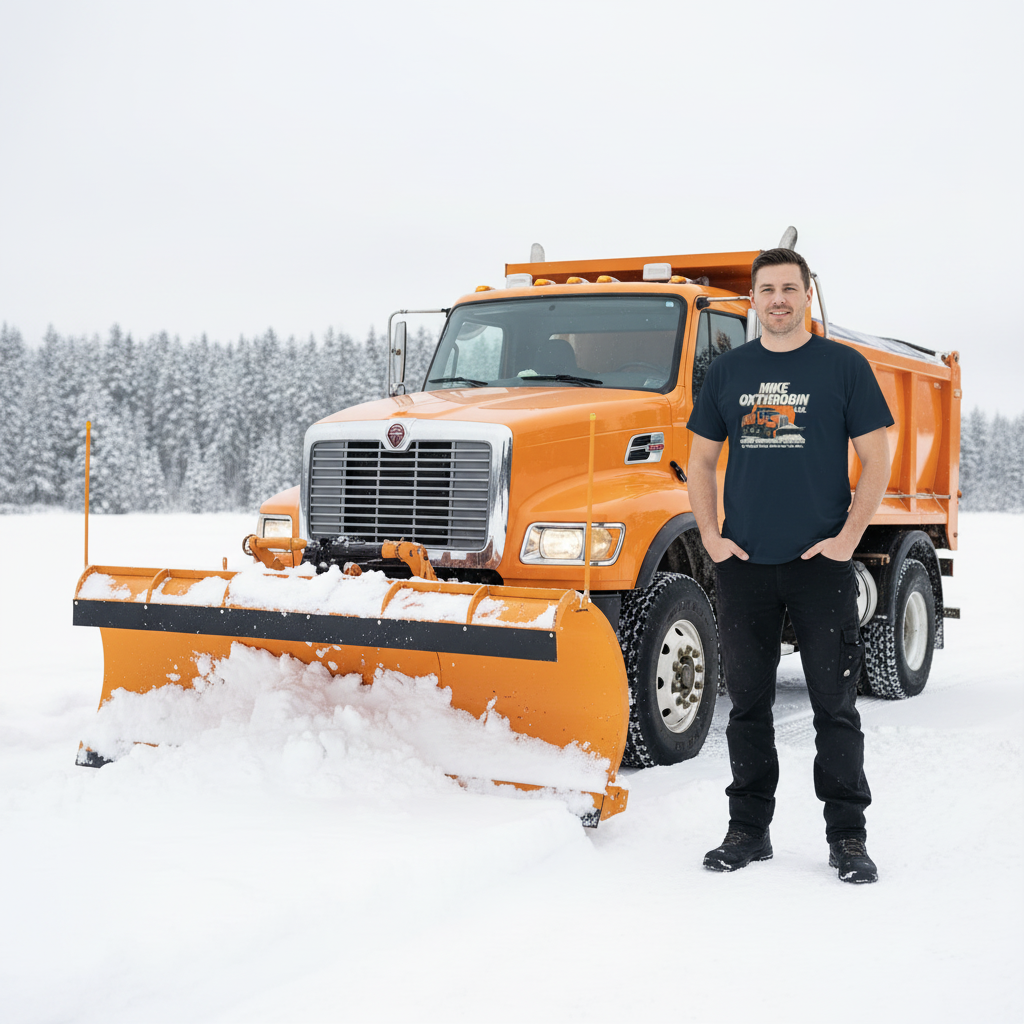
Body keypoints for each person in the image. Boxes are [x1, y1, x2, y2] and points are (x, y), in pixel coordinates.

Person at [686, 248, 894, 884]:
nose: (778, 299)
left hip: (820, 565)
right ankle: (748, 831)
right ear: (753, 299)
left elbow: (876, 458)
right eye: (767, 289)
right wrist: (713, 540)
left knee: (836, 705)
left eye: (789, 288)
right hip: (743, 566)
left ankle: (848, 838)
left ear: (808, 294)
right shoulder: (729, 371)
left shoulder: (843, 367)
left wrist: (847, 538)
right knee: (748, 706)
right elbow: (699, 462)